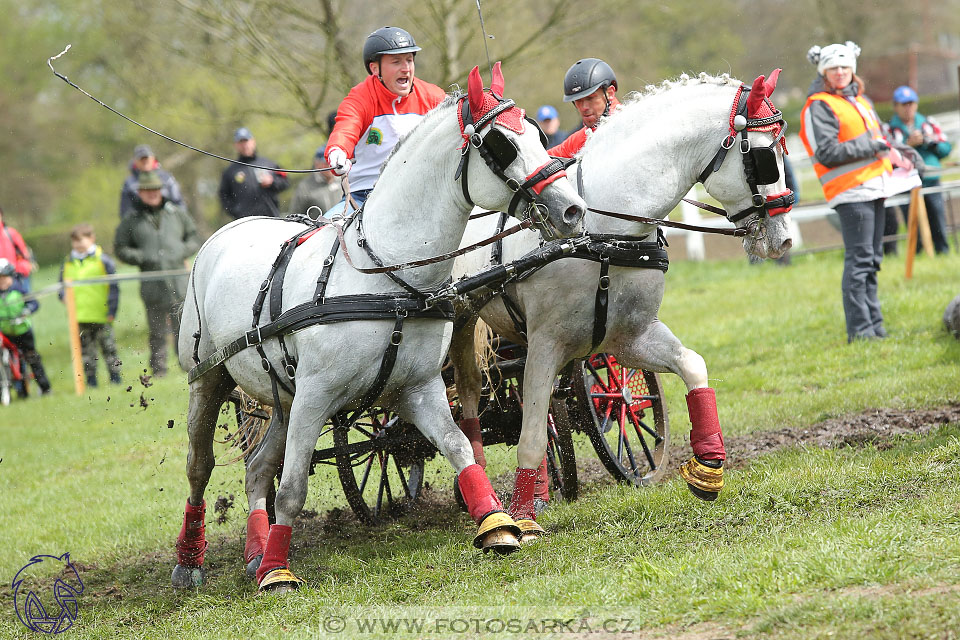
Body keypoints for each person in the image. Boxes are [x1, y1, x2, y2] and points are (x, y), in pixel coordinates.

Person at [800, 41, 913, 343]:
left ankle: (875, 327)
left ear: (853, 69)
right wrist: (873, 146)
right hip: (850, 192)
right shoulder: (818, 105)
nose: (840, 72)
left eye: (845, 67)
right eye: (834, 67)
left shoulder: (860, 100)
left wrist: (901, 151)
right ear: (823, 71)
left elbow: (881, 136)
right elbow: (827, 151)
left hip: (875, 186)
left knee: (872, 259)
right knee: (860, 260)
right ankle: (860, 332)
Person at [324, 26, 446, 215]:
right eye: (396, 62)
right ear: (374, 68)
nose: (406, 68)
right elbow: (345, 129)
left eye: (409, 60)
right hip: (364, 196)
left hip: (424, 194)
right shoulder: (360, 98)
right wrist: (337, 152)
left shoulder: (433, 96)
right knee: (323, 231)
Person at [114, 171, 200, 377]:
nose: (152, 194)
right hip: (152, 286)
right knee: (157, 331)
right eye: (147, 191)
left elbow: (194, 238)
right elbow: (121, 248)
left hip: (179, 282)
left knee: (184, 329)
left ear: (161, 191)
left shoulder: (177, 213)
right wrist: (142, 256)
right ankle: (159, 369)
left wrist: (181, 250)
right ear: (140, 193)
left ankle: (186, 364)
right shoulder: (132, 220)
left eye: (155, 190)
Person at [883, 85, 953, 255]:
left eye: (911, 103)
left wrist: (927, 141)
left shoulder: (928, 123)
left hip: (930, 178)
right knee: (912, 221)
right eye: (903, 104)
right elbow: (886, 157)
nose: (908, 108)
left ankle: (942, 250)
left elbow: (946, 149)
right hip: (905, 183)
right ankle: (918, 253)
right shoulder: (889, 129)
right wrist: (907, 146)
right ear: (896, 106)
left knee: (937, 217)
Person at [59, 224, 122, 387]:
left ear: (91, 238)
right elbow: (61, 286)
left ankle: (115, 378)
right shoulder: (67, 263)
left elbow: (114, 287)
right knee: (87, 353)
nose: (78, 244)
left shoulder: (103, 260)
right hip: (79, 317)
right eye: (75, 241)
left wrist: (112, 310)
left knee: (109, 349)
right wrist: (62, 297)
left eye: (81, 240)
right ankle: (91, 381)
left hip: (102, 314)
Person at [547, 58, 621, 158]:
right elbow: (543, 160)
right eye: (578, 101)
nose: (584, 107)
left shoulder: (632, 125)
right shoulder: (579, 139)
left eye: (590, 98)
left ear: (610, 93)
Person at [0, 258, 51, 397]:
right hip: (5, 333)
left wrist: (26, 311)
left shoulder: (19, 289)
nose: (2, 282)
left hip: (22, 331)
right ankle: (20, 392)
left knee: (32, 358)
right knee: (11, 361)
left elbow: (34, 303)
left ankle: (45, 387)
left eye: (5, 278)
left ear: (11, 277)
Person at [218, 128, 290, 220]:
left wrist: (272, 182)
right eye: (241, 142)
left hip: (271, 218)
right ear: (236, 145)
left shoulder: (269, 164)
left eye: (246, 141)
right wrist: (236, 211)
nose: (244, 145)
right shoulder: (230, 171)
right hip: (245, 222)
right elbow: (223, 195)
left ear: (253, 142)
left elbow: (286, 181)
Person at [119, 144, 184, 218]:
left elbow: (179, 203)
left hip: (168, 220)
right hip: (140, 223)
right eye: (141, 159)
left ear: (153, 159)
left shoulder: (167, 178)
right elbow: (125, 211)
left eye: (147, 159)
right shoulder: (129, 183)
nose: (145, 162)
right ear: (135, 162)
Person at [287, 145, 342, 216]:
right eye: (326, 163)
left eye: (333, 163)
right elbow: (295, 214)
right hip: (317, 226)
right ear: (317, 164)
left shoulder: (344, 182)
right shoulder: (305, 187)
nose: (330, 166)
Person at [0, 204, 34, 289]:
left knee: (25, 300)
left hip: (17, 277)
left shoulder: (11, 233)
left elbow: (24, 253)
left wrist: (20, 269)